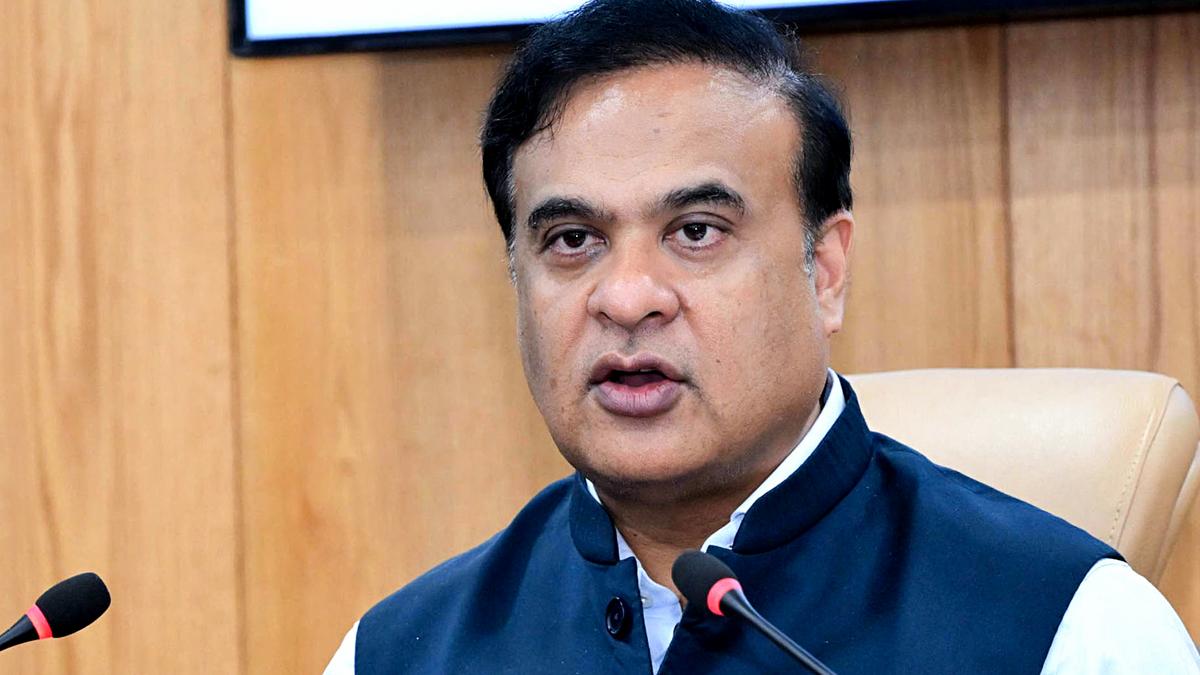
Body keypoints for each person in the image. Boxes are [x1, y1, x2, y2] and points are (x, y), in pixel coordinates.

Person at [325, 1, 1200, 672]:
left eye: (696, 231)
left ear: (825, 270)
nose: (627, 297)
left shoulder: (1071, 632)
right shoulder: (397, 652)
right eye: (573, 239)